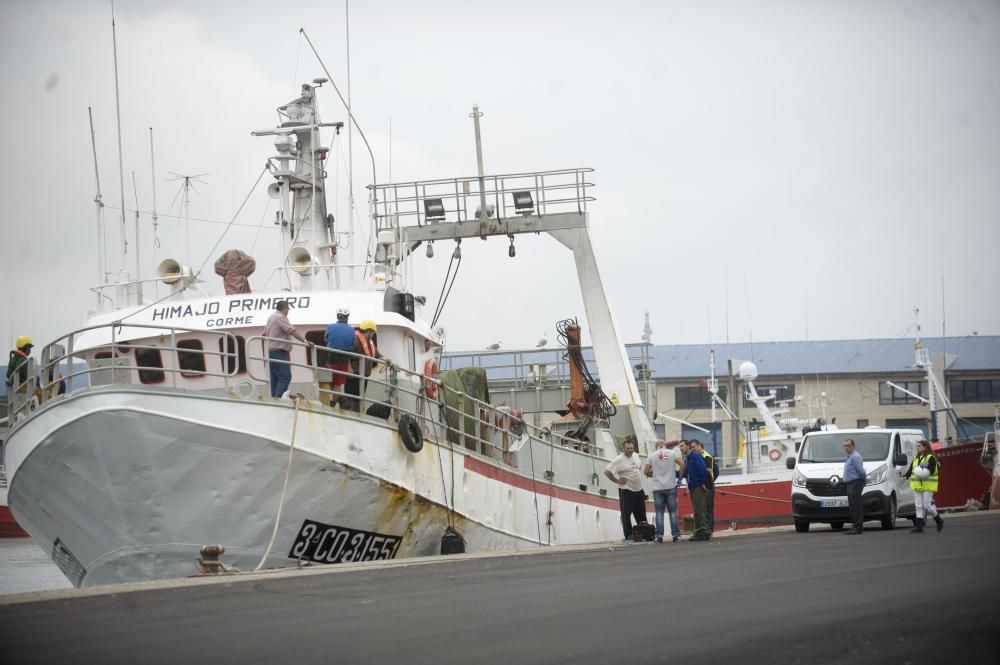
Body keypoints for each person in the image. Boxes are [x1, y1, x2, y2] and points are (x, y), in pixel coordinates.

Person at [262, 300, 311, 398]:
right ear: (285, 308)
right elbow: (291, 331)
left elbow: (264, 333)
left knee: (275, 378)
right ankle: (278, 399)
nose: (288, 311)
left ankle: (274, 399)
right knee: (285, 377)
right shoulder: (281, 317)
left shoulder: (271, 317)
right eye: (288, 309)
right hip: (279, 352)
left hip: (271, 352)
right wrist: (305, 342)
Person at [604, 436, 646, 542]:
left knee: (641, 512)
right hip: (626, 490)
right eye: (628, 449)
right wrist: (617, 481)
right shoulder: (619, 459)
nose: (630, 450)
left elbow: (638, 468)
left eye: (632, 448)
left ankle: (643, 532)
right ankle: (628, 534)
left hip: (639, 489)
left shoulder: (636, 456)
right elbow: (607, 472)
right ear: (624, 449)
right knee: (626, 513)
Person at [343, 319, 390, 412]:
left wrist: (385, 359)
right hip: (354, 374)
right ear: (369, 331)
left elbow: (376, 354)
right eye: (373, 332)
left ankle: (357, 414)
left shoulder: (369, 342)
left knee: (359, 398)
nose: (373, 334)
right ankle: (349, 414)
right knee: (351, 398)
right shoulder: (356, 340)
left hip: (363, 375)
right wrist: (349, 368)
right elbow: (346, 354)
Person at [644, 439, 684, 542]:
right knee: (673, 512)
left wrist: (653, 475)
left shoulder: (651, 456)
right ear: (664, 445)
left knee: (659, 512)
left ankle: (659, 536)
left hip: (658, 488)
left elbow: (646, 471)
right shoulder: (672, 453)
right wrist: (679, 479)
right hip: (671, 486)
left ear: (656, 446)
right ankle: (676, 535)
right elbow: (682, 464)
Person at [903, 440, 944, 533]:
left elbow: (931, 469)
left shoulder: (930, 458)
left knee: (927, 506)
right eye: (917, 446)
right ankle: (919, 527)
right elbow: (911, 470)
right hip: (918, 486)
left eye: (919, 446)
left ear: (925, 447)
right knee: (918, 506)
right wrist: (905, 476)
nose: (917, 448)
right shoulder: (916, 459)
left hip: (928, 486)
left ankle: (939, 520)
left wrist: (922, 469)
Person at [322, 307, 355, 407]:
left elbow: (325, 339)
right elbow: (351, 345)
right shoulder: (352, 330)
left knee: (329, 381)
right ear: (347, 317)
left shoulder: (330, 327)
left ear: (337, 316)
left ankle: (331, 402)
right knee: (338, 384)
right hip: (344, 359)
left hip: (332, 357)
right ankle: (334, 404)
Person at [684, 440, 711, 541]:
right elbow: (688, 473)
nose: (680, 449)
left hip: (697, 486)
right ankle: (704, 531)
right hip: (694, 486)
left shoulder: (694, 456)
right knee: (700, 510)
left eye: (682, 446)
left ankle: (701, 532)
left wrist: (702, 482)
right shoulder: (689, 458)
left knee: (699, 510)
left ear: (687, 447)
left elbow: (702, 469)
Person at [691, 439, 718, 536]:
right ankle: (706, 529)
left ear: (699, 446)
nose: (692, 449)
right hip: (703, 485)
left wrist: (707, 484)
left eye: (694, 447)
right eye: (691, 448)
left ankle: (709, 530)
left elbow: (709, 472)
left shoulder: (706, 457)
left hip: (707, 486)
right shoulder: (698, 456)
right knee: (704, 509)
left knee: (708, 508)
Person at [842, 438, 866, 534]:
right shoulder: (850, 457)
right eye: (845, 446)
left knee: (856, 506)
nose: (846, 448)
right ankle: (854, 526)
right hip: (850, 483)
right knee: (852, 506)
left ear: (853, 446)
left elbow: (861, 471)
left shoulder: (855, 457)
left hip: (855, 483)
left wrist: (863, 480)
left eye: (848, 446)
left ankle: (858, 527)